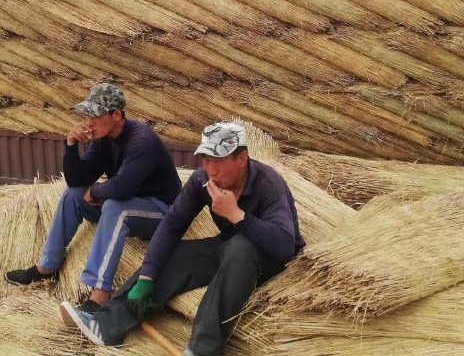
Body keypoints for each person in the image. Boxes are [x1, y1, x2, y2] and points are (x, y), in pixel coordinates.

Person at [59, 122, 306, 356]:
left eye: (219, 161)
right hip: (231, 246)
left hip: (270, 257)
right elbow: (171, 225)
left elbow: (285, 246)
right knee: (178, 254)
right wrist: (147, 275)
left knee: (240, 246)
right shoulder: (203, 180)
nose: (212, 170)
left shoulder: (268, 183)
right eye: (207, 161)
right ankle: (106, 324)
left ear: (241, 159)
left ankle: (202, 349)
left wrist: (237, 215)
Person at [5, 83, 182, 312]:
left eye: (95, 116)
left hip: (161, 211)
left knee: (116, 207)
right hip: (128, 202)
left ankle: (100, 292)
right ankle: (47, 267)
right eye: (87, 115)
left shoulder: (142, 141)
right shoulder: (103, 140)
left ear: (116, 115)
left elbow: (123, 188)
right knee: (72, 195)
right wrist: (71, 145)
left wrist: (97, 191)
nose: (89, 122)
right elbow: (77, 181)